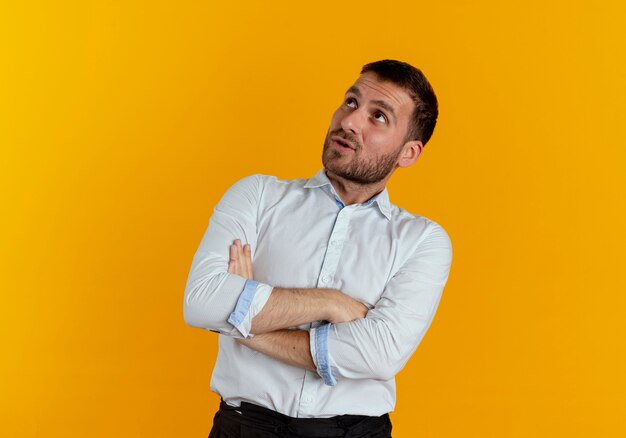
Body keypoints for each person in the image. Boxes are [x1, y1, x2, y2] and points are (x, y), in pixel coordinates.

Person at [184, 59, 452, 438]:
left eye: (378, 117)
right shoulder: (257, 196)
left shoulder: (422, 241)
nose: (350, 121)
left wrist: (242, 325)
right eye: (350, 101)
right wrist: (329, 302)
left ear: (408, 153)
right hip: (244, 428)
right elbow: (203, 303)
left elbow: (379, 354)